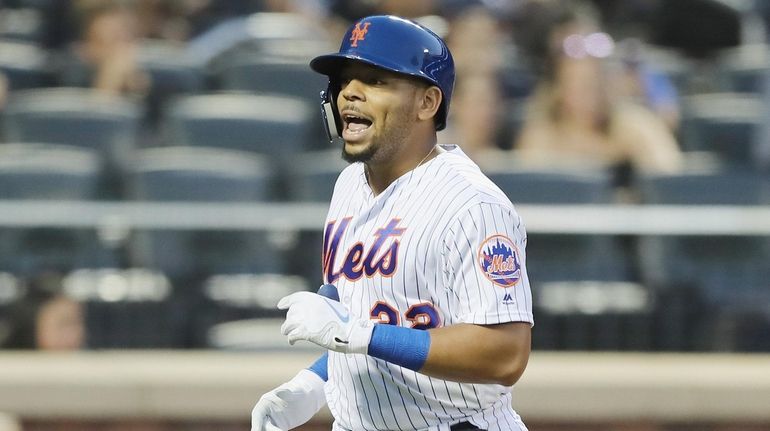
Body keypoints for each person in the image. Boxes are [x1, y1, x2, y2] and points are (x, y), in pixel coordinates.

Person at [251, 15, 533, 431]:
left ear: (427, 103)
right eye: (345, 79)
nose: (350, 92)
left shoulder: (472, 204)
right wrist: (312, 382)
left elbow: (505, 353)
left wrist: (359, 334)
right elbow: (358, 323)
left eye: (376, 80)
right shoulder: (349, 183)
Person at [513, 2, 682, 190]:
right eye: (580, 86)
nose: (590, 96)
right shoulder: (541, 135)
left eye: (595, 84)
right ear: (558, 90)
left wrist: (628, 154)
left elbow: (670, 183)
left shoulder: (637, 125)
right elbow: (534, 191)